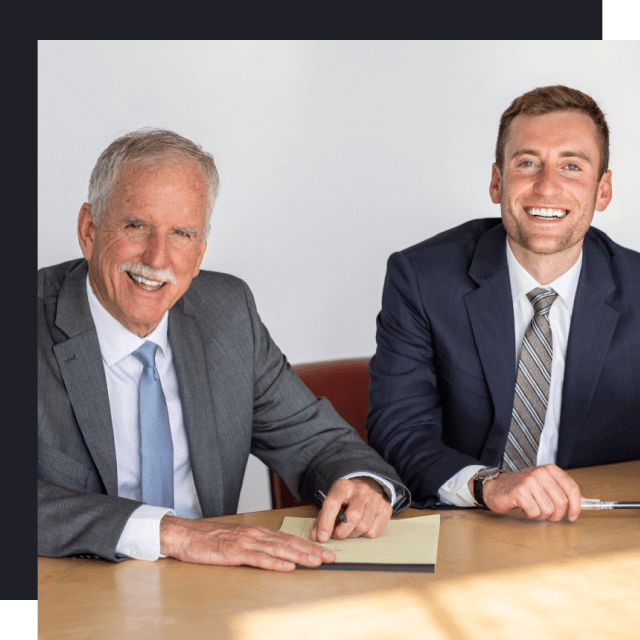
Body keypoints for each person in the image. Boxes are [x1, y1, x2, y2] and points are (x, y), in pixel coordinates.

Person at [38, 128, 410, 571]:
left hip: (211, 592)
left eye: (181, 233)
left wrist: (361, 484)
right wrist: (171, 533)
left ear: (200, 253)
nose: (158, 259)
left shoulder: (227, 313)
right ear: (89, 229)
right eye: (136, 226)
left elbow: (318, 443)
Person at [366, 85, 639, 524]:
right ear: (497, 182)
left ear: (602, 190)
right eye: (527, 163)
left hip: (599, 528)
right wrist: (487, 484)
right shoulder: (421, 278)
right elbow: (399, 432)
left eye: (571, 166)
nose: (547, 186)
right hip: (467, 526)